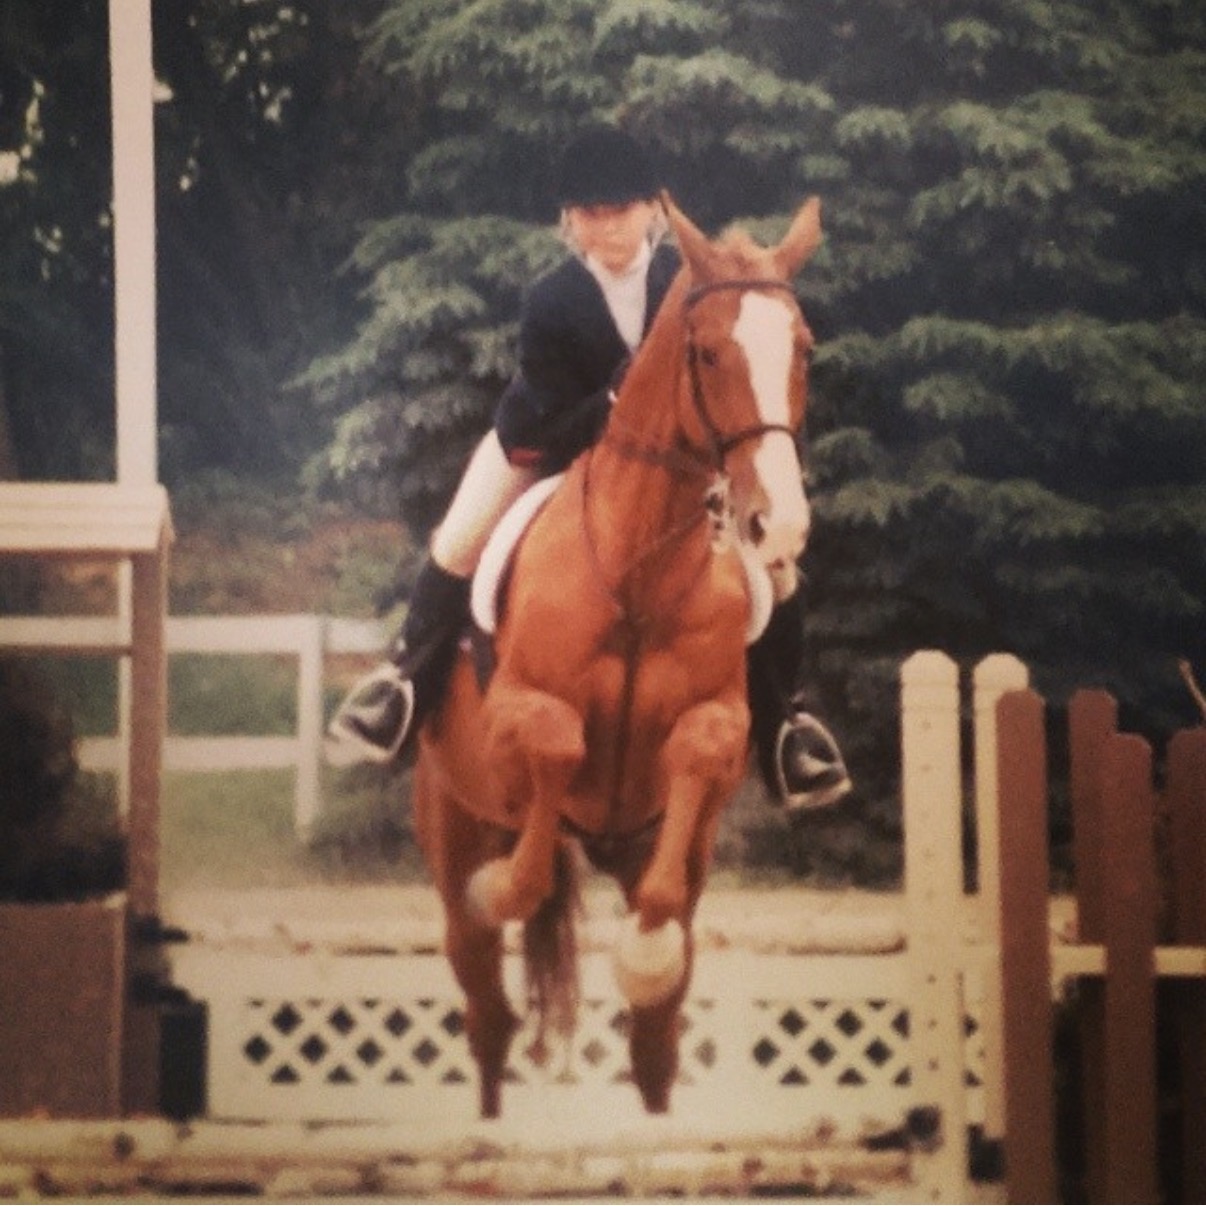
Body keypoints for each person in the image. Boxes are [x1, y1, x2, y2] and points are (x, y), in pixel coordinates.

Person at [329, 126, 851, 810]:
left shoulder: (684, 281)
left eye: (619, 209)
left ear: (651, 212)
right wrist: (616, 402)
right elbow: (543, 414)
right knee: (461, 538)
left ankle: (788, 723)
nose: (603, 225)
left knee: (775, 569)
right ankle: (400, 685)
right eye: (588, 212)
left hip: (672, 468)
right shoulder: (551, 298)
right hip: (546, 444)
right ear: (570, 220)